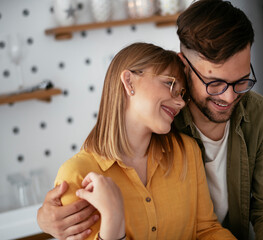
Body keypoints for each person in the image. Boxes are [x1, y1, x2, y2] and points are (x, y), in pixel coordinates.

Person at [37, 1, 263, 239]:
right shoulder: (160, 121)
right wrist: (43, 219)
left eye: (241, 80)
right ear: (185, 65)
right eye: (215, 83)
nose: (231, 96)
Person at [48, 42, 236, 240]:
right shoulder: (76, 175)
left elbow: (206, 230)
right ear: (129, 82)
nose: (180, 102)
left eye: (182, 93)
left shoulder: (187, 152)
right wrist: (113, 220)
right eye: (169, 84)